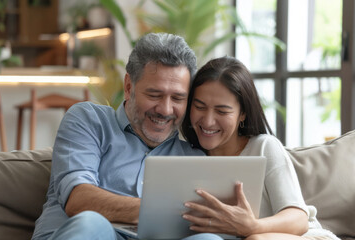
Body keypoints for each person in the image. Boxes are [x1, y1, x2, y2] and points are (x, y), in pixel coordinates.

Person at [32, 32, 207, 240]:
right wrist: (167, 210)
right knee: (92, 223)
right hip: (86, 234)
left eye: (178, 98)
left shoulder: (193, 158)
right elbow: (79, 200)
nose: (165, 109)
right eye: (154, 95)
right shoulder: (88, 120)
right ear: (128, 87)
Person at [181, 56, 340, 240]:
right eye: (199, 106)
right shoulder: (185, 156)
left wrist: (251, 227)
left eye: (222, 111)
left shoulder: (264, 147)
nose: (208, 121)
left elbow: (299, 220)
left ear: (243, 114)